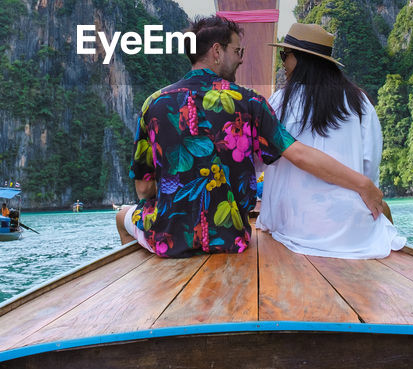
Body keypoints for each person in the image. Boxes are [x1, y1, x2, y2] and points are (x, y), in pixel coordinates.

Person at [116, 15, 385, 258]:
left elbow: (143, 188)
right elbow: (299, 154)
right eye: (238, 51)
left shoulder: (153, 103)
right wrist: (363, 184)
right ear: (217, 52)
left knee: (122, 216)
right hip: (232, 238)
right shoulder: (250, 102)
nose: (242, 58)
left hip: (169, 239)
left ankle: (144, 281)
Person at [256, 23, 405, 259]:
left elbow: (258, 161)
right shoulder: (360, 102)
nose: (282, 63)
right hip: (351, 230)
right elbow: (370, 168)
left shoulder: (279, 102)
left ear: (302, 59)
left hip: (294, 227)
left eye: (285, 55)